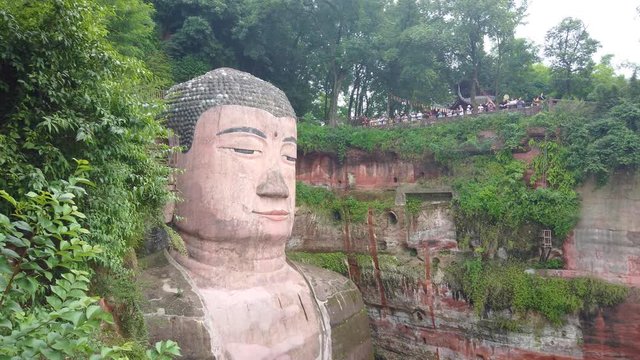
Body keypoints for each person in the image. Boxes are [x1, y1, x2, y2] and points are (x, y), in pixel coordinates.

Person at [144, 68, 372, 360]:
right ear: (170, 163)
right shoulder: (144, 314)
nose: (278, 188)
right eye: (245, 149)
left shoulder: (338, 297)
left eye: (289, 157)